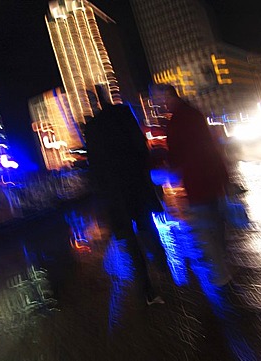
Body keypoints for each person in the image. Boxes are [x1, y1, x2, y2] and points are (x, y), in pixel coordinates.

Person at [84, 85, 169, 305]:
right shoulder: (123, 114)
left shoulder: (92, 128)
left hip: (115, 194)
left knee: (131, 241)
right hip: (135, 184)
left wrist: (102, 194)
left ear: (93, 102)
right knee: (146, 227)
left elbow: (94, 168)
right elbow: (141, 147)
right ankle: (162, 264)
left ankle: (147, 289)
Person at [161, 84, 232, 287]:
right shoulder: (194, 113)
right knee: (216, 224)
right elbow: (209, 144)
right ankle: (222, 263)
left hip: (197, 180)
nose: (160, 103)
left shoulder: (176, 121)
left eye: (160, 97)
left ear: (169, 96)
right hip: (212, 176)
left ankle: (220, 272)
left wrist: (170, 167)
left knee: (205, 227)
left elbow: (175, 153)